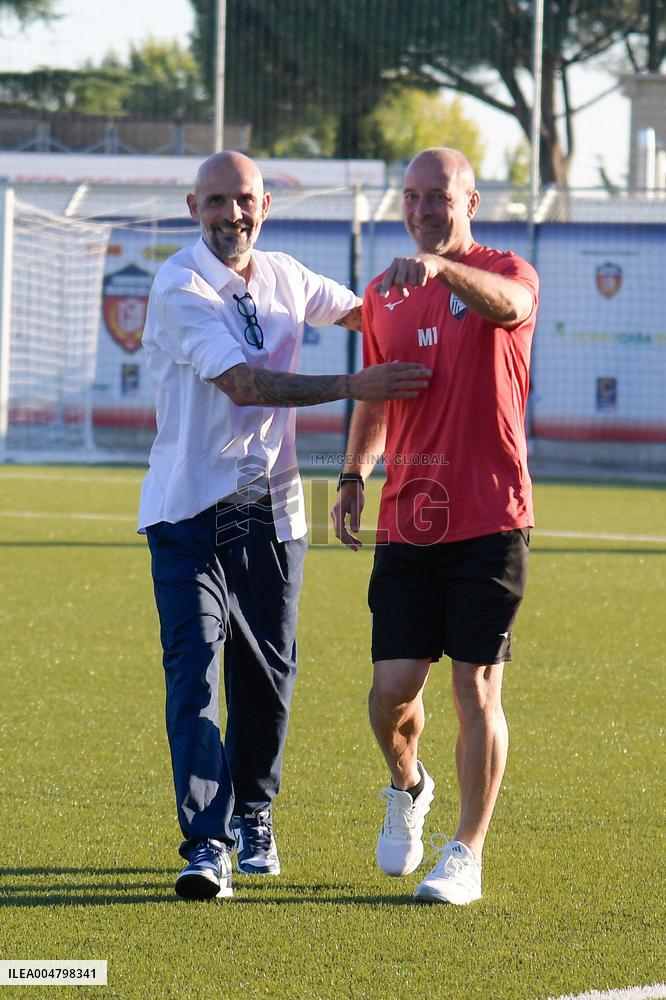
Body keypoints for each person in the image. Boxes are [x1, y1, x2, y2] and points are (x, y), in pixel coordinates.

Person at [138, 151, 430, 901]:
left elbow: (372, 314)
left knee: (267, 671)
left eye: (243, 199)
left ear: (265, 205)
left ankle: (254, 814)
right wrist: (353, 384)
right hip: (187, 509)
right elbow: (243, 384)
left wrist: (429, 285)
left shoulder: (288, 276)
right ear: (193, 206)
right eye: (215, 201)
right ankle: (206, 845)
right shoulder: (178, 285)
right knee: (194, 671)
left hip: (268, 510)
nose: (230, 214)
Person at [332, 147, 539, 905]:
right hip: (410, 518)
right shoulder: (381, 294)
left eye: (439, 197)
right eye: (412, 197)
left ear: (470, 202)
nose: (423, 210)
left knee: (474, 687)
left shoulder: (506, 270)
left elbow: (508, 308)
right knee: (391, 692)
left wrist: (443, 270)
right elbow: (377, 394)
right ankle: (408, 785)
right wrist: (353, 473)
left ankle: (466, 854)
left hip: (491, 514)